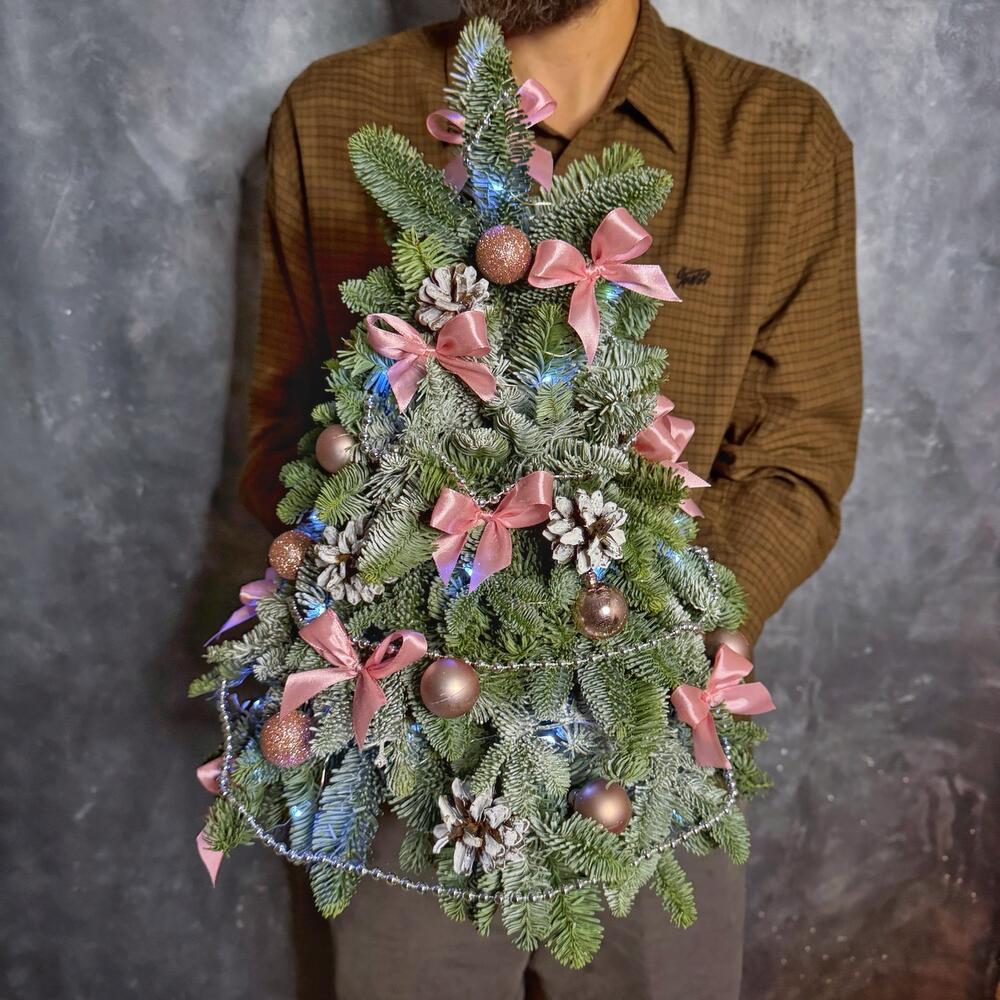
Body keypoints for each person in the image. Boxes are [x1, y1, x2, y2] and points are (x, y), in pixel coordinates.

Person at [238, 1, 862, 997]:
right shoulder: (334, 109)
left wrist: (661, 635)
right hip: (406, 746)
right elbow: (286, 423)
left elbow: (799, 453)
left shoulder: (776, 136)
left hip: (653, 747)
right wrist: (390, 598)